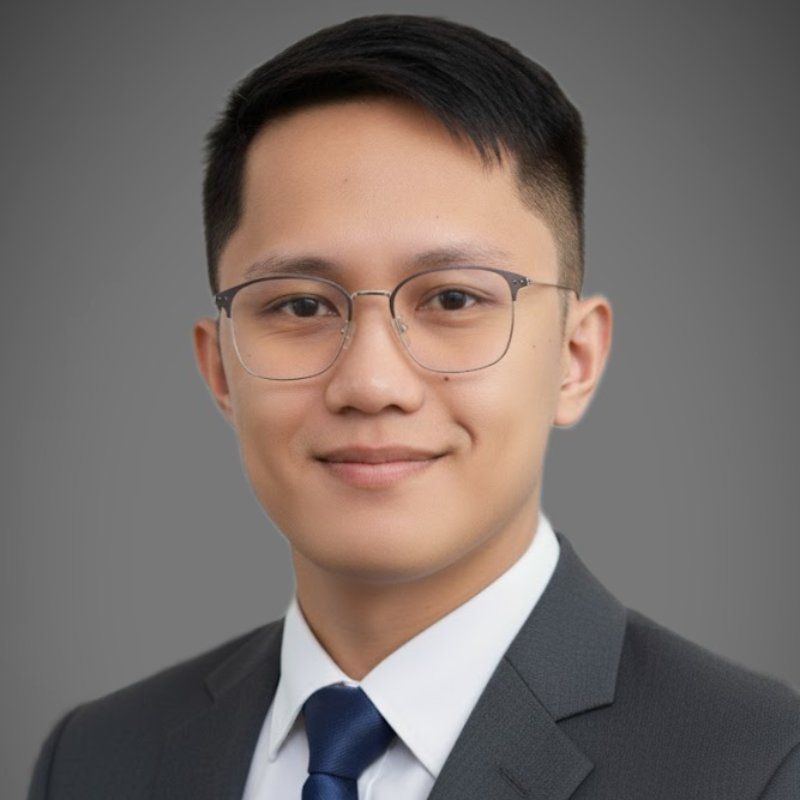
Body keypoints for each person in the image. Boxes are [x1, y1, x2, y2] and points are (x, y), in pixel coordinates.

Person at [28, 14, 800, 800]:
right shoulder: (94, 760)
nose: (372, 383)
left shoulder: (760, 767)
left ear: (576, 358)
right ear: (220, 370)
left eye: (454, 298)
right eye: (300, 305)